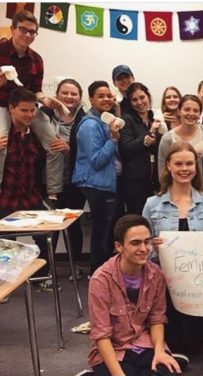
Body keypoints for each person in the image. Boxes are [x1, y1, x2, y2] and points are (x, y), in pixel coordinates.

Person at [70, 214, 182, 376]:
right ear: (118, 246)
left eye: (147, 242)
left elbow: (156, 319)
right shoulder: (101, 279)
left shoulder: (156, 274)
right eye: (135, 243)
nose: (144, 248)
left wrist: (160, 351)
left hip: (143, 344)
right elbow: (101, 335)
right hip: (114, 349)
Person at [143, 141, 203, 355]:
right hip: (164, 280)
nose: (185, 169)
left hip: (197, 281)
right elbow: (143, 242)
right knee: (171, 340)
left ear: (196, 167)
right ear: (168, 167)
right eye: (179, 164)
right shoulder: (152, 204)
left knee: (194, 345)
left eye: (189, 164)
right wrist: (152, 246)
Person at [0, 10, 66, 200]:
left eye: (32, 32)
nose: (28, 35)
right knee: (2, 144)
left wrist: (44, 99)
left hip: (27, 105)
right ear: (13, 29)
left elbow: (36, 91)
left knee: (55, 143)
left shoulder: (37, 59)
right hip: (2, 104)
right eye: (24, 30)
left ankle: (53, 194)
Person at [0, 88, 52, 287]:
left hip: (30, 196)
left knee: (46, 237)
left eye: (32, 110)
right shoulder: (3, 134)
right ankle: (4, 287)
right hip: (5, 197)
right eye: (24, 110)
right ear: (11, 109)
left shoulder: (37, 134)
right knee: (6, 244)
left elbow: (50, 155)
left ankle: (41, 279)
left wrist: (63, 148)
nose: (30, 115)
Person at [72, 81, 121, 277]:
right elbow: (97, 160)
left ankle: (101, 272)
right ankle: (98, 273)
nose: (107, 99)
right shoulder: (90, 124)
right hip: (95, 183)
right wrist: (113, 139)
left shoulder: (104, 120)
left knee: (105, 229)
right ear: (91, 99)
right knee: (102, 231)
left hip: (104, 183)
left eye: (109, 95)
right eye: (101, 96)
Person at [40, 78, 86, 278]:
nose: (69, 97)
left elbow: (88, 149)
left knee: (73, 224)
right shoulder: (44, 116)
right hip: (47, 181)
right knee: (49, 225)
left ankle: (74, 264)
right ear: (57, 95)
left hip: (74, 181)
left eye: (74, 93)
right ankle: (46, 269)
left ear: (80, 97)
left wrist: (70, 148)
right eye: (65, 93)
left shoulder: (85, 119)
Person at [119, 82, 160, 215]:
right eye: (134, 100)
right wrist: (147, 137)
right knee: (138, 217)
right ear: (130, 102)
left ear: (148, 96)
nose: (139, 102)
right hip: (134, 182)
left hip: (153, 180)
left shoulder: (154, 118)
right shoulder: (127, 120)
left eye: (142, 97)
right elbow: (125, 148)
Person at [157, 94, 203, 175]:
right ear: (179, 111)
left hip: (201, 186)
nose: (191, 113)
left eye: (196, 111)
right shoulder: (167, 139)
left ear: (200, 114)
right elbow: (162, 171)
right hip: (175, 186)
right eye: (187, 109)